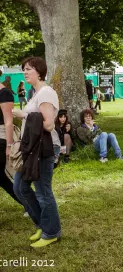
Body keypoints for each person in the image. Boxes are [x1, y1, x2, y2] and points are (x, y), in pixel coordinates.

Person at [12, 56, 61, 248]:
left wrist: (22, 114)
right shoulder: (35, 92)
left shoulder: (46, 92)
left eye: (29, 69)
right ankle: (43, 224)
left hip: (44, 148)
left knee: (43, 192)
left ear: (39, 71)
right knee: (20, 188)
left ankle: (51, 233)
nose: (25, 72)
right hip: (31, 148)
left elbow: (48, 124)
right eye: (24, 68)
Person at [0, 80, 23, 208]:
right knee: (2, 178)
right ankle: (30, 203)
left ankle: (31, 203)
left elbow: (8, 121)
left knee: (2, 176)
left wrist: (9, 146)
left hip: (2, 136)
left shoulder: (4, 93)